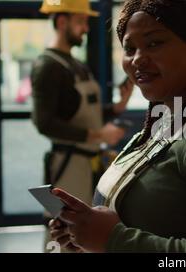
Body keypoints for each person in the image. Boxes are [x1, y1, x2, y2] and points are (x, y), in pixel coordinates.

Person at [49, 0, 186, 253]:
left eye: (154, 43)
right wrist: (87, 235)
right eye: (129, 48)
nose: (137, 59)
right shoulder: (169, 115)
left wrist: (113, 240)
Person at [31, 0, 133, 251]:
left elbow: (83, 111)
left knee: (83, 232)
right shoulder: (48, 66)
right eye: (81, 21)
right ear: (62, 21)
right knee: (62, 233)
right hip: (68, 166)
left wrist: (118, 106)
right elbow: (44, 123)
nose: (86, 28)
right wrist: (98, 134)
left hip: (88, 163)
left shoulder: (75, 65)